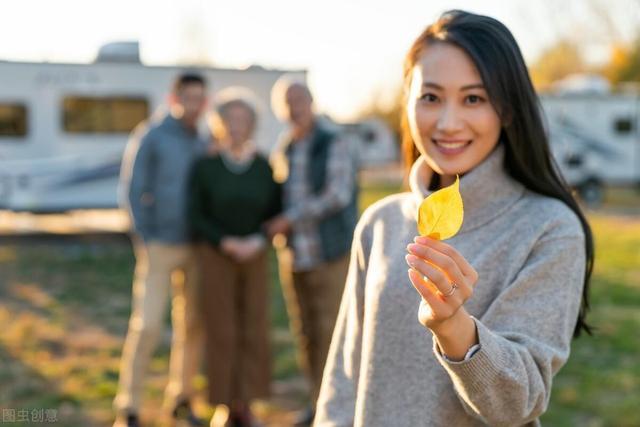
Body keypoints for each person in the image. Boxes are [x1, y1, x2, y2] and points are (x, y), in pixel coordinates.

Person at [315, 10, 594, 427]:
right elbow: (344, 377)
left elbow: (517, 405)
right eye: (430, 97)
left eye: (473, 99)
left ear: (508, 110)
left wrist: (455, 328)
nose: (448, 123)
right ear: (407, 101)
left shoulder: (549, 229)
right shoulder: (380, 222)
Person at [114, 73, 208, 427]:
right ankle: (129, 406)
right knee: (148, 324)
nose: (195, 104)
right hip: (159, 245)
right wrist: (144, 234)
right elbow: (132, 188)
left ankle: (181, 398)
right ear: (175, 98)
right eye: (189, 97)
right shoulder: (152, 135)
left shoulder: (203, 139)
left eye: (201, 98)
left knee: (193, 326)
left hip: (196, 247)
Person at [265, 76, 358, 426]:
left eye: (300, 100)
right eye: (288, 103)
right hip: (294, 256)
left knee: (333, 330)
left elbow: (337, 195)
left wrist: (289, 220)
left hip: (329, 253)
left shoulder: (332, 142)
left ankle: (342, 406)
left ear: (312, 102)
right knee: (305, 333)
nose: (295, 108)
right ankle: (318, 401)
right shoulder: (286, 146)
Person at [187, 88, 282, 427]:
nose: (237, 124)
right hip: (216, 254)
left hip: (254, 253)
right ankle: (225, 405)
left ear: (252, 124)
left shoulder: (262, 165)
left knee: (254, 326)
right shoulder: (207, 166)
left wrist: (258, 240)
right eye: (231, 118)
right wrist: (223, 241)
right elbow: (196, 213)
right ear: (220, 123)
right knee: (222, 329)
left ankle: (249, 404)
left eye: (244, 118)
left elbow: (275, 209)